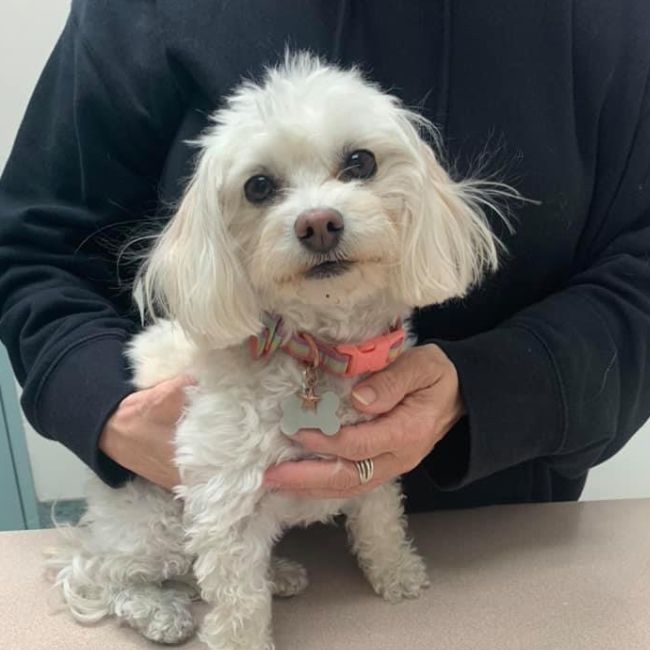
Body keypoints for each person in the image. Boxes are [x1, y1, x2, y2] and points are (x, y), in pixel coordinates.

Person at [1, 0, 649, 513]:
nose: (317, 220)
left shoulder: (607, 19)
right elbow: (34, 249)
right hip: (208, 517)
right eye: (262, 189)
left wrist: (490, 391)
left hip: (506, 528)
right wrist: (109, 410)